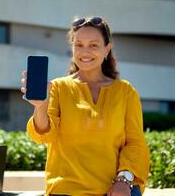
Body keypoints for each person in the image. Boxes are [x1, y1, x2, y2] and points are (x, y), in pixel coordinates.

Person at [20, 16, 150, 196]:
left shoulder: (126, 92)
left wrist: (123, 180)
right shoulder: (58, 87)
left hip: (113, 191)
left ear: (107, 50)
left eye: (93, 45)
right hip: (65, 190)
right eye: (79, 44)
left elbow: (135, 143)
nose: (85, 51)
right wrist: (40, 106)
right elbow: (44, 135)